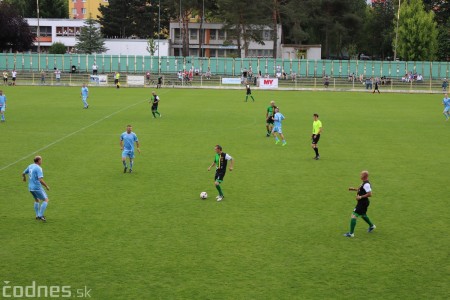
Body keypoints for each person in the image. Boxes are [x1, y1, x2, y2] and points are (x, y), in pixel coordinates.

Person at [344, 171, 376, 238]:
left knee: (354, 215)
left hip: (362, 202)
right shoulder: (364, 183)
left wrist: (360, 197)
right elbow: (361, 190)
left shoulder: (366, 184)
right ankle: (372, 226)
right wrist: (353, 189)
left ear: (364, 176)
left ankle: (351, 234)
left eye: (361, 174)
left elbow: (370, 194)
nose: (360, 175)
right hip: (363, 202)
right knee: (363, 215)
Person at [22, 156, 51, 222]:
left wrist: (24, 178)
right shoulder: (39, 168)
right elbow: (40, 179)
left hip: (30, 187)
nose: (42, 161)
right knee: (46, 199)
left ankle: (37, 215)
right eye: (41, 160)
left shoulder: (30, 166)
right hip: (37, 187)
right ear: (38, 161)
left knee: (37, 200)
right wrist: (46, 186)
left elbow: (23, 173)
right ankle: (40, 215)